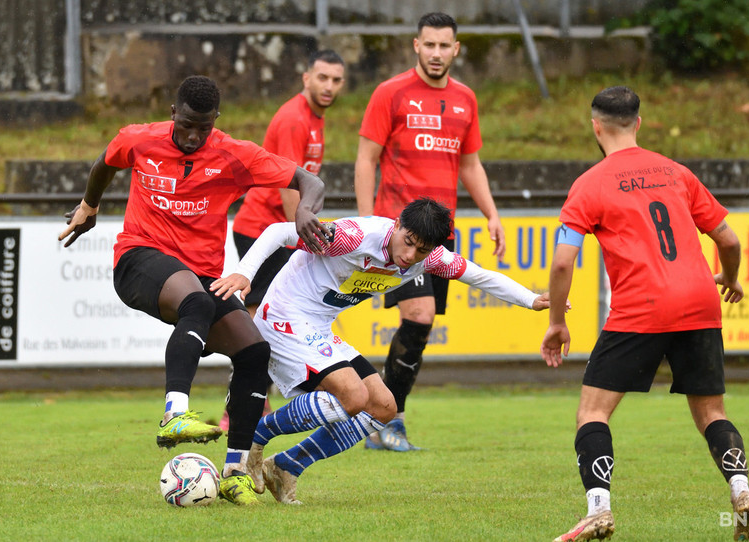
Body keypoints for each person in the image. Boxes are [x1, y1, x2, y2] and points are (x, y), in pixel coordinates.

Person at [58, 75, 330, 506]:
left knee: (255, 350)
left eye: (202, 128)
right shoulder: (139, 140)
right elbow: (105, 163)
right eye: (185, 124)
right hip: (138, 259)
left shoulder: (234, 155)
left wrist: (304, 214)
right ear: (172, 114)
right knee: (198, 300)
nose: (191, 136)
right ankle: (173, 414)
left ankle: (236, 471)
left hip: (200, 273)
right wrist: (90, 206)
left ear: (214, 122)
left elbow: (309, 182)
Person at [210, 197, 558, 504]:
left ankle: (286, 467)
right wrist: (244, 274)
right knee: (352, 395)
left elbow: (479, 275)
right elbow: (278, 232)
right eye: (407, 242)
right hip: (284, 316)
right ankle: (257, 435)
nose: (409, 256)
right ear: (396, 225)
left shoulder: (431, 260)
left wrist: (530, 299)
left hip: (318, 327)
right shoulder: (353, 237)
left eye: (421, 251)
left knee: (383, 407)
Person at [540, 86, 749, 541]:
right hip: (700, 302)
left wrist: (557, 321)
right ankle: (741, 490)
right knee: (711, 412)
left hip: (641, 306)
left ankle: (598, 508)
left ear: (595, 126)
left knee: (593, 413)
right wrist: (731, 277)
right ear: (639, 123)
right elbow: (729, 240)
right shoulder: (676, 172)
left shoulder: (591, 183)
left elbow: (563, 261)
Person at [354, 11, 505, 451]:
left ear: (456, 49)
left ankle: (386, 418)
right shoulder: (391, 93)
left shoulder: (465, 99)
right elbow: (366, 158)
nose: (437, 53)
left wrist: (491, 213)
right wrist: (367, 223)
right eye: (430, 45)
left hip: (440, 233)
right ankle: (385, 420)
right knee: (418, 315)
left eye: (445, 46)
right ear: (416, 46)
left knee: (422, 326)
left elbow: (470, 164)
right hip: (400, 232)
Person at [217, 50, 346, 430]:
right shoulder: (293, 118)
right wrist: (308, 242)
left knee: (269, 326)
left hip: (278, 230)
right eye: (322, 77)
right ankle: (239, 409)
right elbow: (292, 191)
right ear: (306, 77)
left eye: (336, 80)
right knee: (261, 328)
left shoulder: (313, 118)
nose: (329, 86)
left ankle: (250, 406)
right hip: (265, 230)